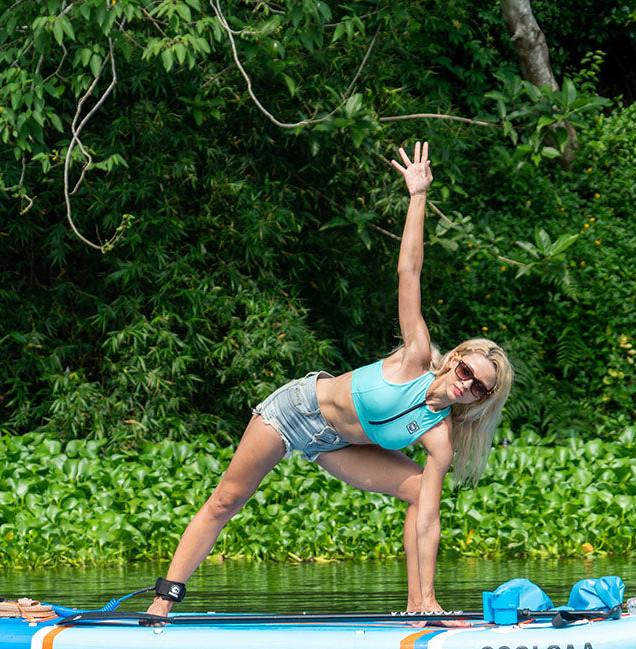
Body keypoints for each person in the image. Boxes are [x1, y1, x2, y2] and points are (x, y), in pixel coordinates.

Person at [148, 142, 513, 616]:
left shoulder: (440, 437)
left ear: (481, 400)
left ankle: (419, 606)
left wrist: (429, 600)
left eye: (479, 388)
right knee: (227, 501)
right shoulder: (417, 355)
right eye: (467, 371)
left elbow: (428, 520)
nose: (467, 384)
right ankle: (162, 603)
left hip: (335, 446)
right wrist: (417, 195)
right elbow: (410, 270)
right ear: (456, 359)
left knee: (421, 491)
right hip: (297, 410)